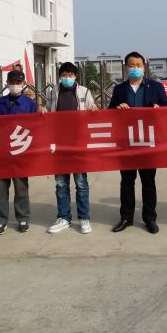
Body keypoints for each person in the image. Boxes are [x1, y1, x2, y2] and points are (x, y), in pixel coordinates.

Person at [108, 51, 167, 234]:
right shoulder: (120, 89)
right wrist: (117, 108)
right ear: (125, 68)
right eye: (131, 65)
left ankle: (150, 218)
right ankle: (126, 217)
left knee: (148, 182)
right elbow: (109, 112)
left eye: (138, 65)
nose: (135, 68)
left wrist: (159, 109)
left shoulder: (156, 87)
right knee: (127, 182)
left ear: (144, 67)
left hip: (148, 142)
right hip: (126, 142)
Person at [44, 62, 98, 235]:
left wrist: (93, 108)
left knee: (81, 183)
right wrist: (42, 110)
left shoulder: (84, 92)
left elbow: (93, 108)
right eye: (64, 75)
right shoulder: (53, 92)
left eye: (70, 75)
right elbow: (47, 111)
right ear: (60, 76)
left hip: (78, 144)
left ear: (75, 76)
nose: (67, 78)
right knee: (61, 184)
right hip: (59, 144)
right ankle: (64, 217)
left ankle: (84, 218)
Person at [0, 69, 37, 235]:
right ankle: (1, 220)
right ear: (7, 84)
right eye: (12, 82)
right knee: (1, 189)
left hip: (20, 152)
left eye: (18, 82)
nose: (15, 85)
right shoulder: (0, 102)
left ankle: (23, 218)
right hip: (2, 153)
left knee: (21, 188)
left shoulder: (30, 104)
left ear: (23, 84)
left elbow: (36, 126)